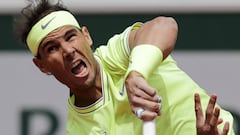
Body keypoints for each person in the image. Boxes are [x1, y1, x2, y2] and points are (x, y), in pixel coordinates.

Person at [14, 0, 235, 134]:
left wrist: (137, 72)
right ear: (42, 66)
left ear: (86, 36)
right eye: (52, 48)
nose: (68, 50)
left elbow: (164, 25)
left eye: (71, 37)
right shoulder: (79, 130)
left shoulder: (118, 56)